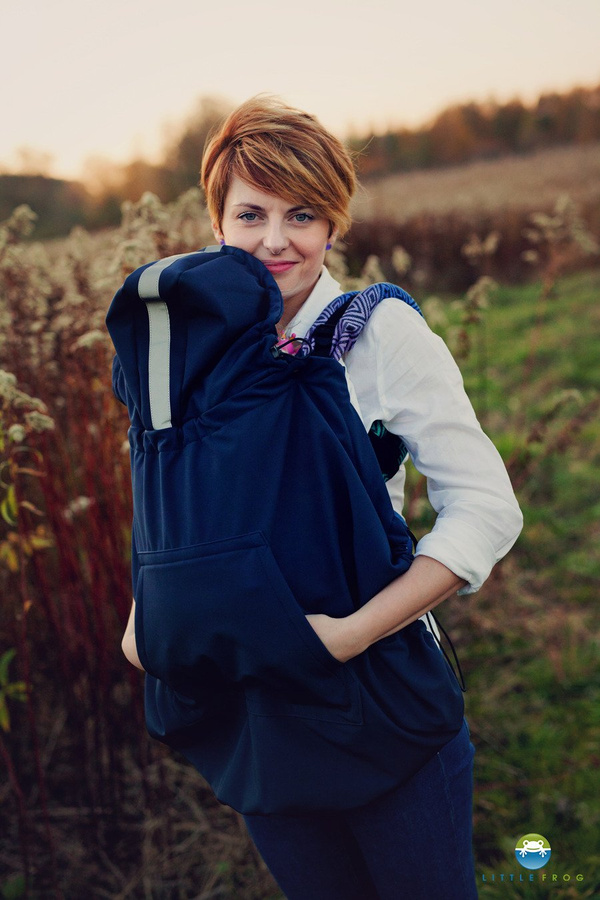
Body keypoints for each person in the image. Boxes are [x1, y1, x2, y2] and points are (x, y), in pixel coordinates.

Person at [119, 96, 523, 899]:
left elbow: (486, 508)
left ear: (334, 224)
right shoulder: (185, 349)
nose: (276, 240)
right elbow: (165, 499)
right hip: (255, 715)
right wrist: (146, 621)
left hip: (375, 697)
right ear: (217, 222)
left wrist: (344, 638)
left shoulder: (377, 333)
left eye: (302, 214)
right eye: (251, 214)